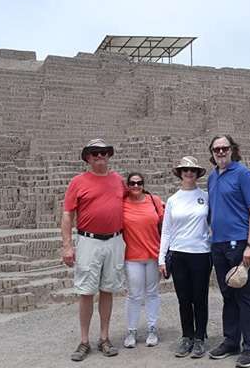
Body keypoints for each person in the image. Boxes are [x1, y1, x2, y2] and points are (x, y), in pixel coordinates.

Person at [61, 139, 126, 362]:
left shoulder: (118, 181)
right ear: (87, 157)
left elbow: (132, 204)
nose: (100, 156)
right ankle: (84, 340)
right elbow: (68, 214)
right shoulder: (78, 182)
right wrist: (68, 245)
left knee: (108, 289)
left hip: (115, 241)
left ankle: (105, 337)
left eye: (104, 152)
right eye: (95, 153)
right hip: (89, 241)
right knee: (86, 291)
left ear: (109, 155)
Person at [207, 135, 250, 368]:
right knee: (227, 294)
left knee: (245, 295)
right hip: (218, 244)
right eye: (216, 149)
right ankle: (231, 340)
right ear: (212, 152)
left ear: (233, 150)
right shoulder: (212, 177)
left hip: (239, 243)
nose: (221, 152)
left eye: (224, 148)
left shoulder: (243, 174)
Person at [158, 156, 211, 359]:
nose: (189, 173)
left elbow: (213, 222)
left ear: (197, 174)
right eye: (185, 170)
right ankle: (187, 336)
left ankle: (200, 338)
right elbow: (167, 231)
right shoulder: (173, 200)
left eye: (192, 170)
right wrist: (161, 258)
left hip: (201, 253)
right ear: (180, 173)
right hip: (179, 254)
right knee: (183, 299)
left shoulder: (205, 196)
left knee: (200, 298)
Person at [122, 172, 164, 349]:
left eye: (139, 183)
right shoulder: (121, 204)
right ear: (127, 185)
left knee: (152, 293)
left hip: (153, 255)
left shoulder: (154, 201)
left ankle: (152, 328)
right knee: (134, 295)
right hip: (132, 256)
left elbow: (166, 223)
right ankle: (131, 330)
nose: (136, 186)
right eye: (132, 183)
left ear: (144, 184)